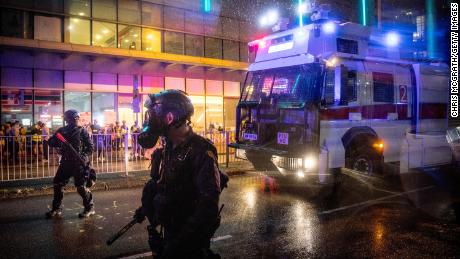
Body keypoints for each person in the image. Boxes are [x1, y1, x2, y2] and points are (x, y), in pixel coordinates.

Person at [134, 90, 223, 258]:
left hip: (189, 241)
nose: (150, 120)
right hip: (171, 230)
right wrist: (146, 208)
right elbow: (168, 185)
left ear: (170, 118)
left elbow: (208, 206)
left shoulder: (201, 150)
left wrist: (180, 245)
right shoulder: (170, 146)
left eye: (154, 115)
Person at [46, 109, 95, 218]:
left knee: (81, 187)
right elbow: (52, 142)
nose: (74, 120)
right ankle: (56, 208)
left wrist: (81, 155)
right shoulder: (62, 131)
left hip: (79, 163)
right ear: (67, 119)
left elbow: (91, 147)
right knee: (58, 184)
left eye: (75, 118)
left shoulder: (82, 131)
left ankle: (89, 208)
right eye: (71, 119)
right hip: (66, 162)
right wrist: (58, 143)